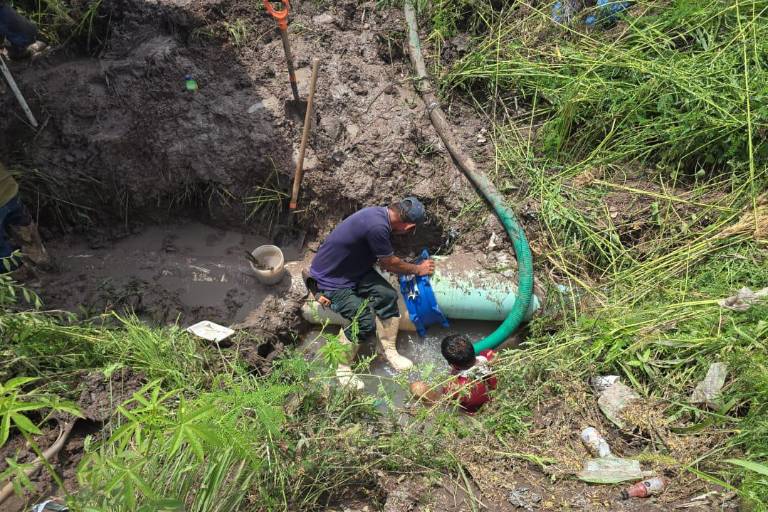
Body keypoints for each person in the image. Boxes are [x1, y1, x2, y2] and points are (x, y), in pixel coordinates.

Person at [308, 197, 435, 389]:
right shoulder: (377, 227)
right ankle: (342, 365)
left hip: (352, 270)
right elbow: (389, 263)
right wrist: (418, 269)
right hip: (331, 280)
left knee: (387, 296)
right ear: (408, 226)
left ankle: (387, 350)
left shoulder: (378, 215)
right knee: (364, 319)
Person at [410, 334, 497, 414]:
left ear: (452, 365)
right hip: (495, 399)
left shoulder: (454, 387)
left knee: (417, 388)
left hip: (474, 413)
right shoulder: (491, 355)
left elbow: (445, 401)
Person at [0, 160, 50, 272]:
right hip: (8, 190)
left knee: (2, 251)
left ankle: (18, 273)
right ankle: (40, 258)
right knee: (24, 229)